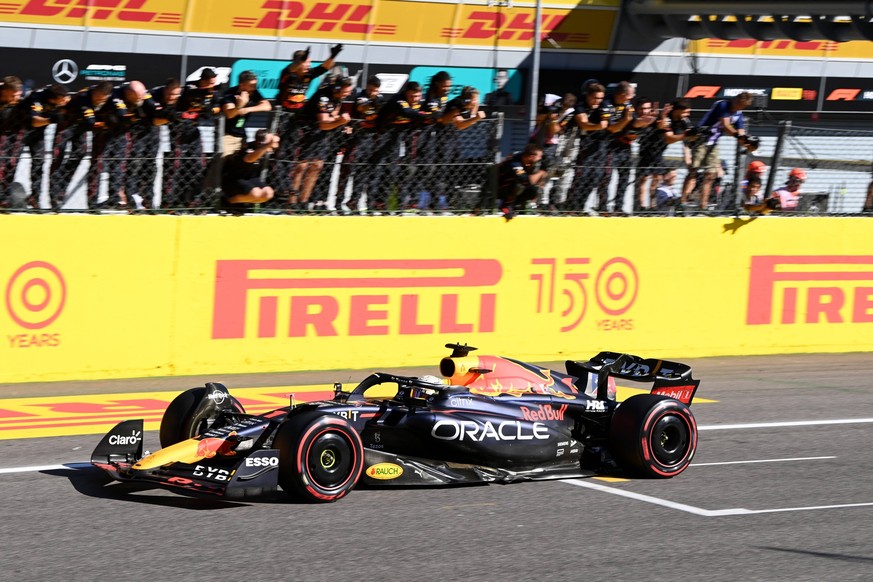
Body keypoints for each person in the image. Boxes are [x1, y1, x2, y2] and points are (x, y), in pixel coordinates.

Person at [272, 43, 343, 205]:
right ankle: (281, 189)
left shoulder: (308, 75)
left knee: (295, 154)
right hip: (283, 116)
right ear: (298, 62)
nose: (309, 66)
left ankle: (293, 193)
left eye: (309, 63)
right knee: (281, 153)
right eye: (306, 63)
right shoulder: (288, 74)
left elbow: (324, 68)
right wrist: (299, 62)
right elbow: (290, 69)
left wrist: (333, 56)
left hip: (298, 119)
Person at [681, 91, 756, 214]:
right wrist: (739, 136)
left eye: (741, 106)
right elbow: (726, 126)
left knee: (711, 175)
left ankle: (703, 206)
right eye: (738, 103)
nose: (738, 106)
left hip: (714, 143)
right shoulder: (723, 105)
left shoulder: (738, 114)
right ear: (736, 99)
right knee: (693, 172)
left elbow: (741, 132)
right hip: (701, 140)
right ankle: (682, 202)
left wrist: (748, 143)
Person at [290, 75, 353, 211]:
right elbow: (324, 123)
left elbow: (332, 116)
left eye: (348, 92)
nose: (347, 95)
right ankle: (292, 202)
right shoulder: (323, 97)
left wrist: (342, 124)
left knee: (317, 166)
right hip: (305, 130)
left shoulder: (338, 98)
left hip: (321, 135)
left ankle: (304, 202)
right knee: (302, 166)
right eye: (345, 92)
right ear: (336, 89)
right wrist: (340, 122)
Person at [49, 81, 114, 211]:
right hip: (67, 124)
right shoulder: (83, 97)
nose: (99, 101)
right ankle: (53, 194)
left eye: (103, 99)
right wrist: (107, 124)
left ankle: (60, 191)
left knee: (79, 155)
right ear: (95, 91)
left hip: (81, 128)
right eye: (97, 98)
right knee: (57, 158)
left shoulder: (109, 100)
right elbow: (91, 122)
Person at [370, 81, 432, 212]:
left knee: (396, 171)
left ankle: (390, 204)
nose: (414, 99)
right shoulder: (398, 100)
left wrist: (430, 116)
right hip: (381, 135)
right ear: (405, 93)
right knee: (377, 170)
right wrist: (427, 116)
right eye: (411, 96)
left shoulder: (421, 102)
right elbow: (407, 112)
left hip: (398, 137)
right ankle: (371, 203)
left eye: (417, 96)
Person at [87, 80, 150, 210]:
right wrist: (133, 116)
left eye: (141, 97)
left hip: (121, 133)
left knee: (119, 165)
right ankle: (92, 202)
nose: (140, 100)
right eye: (137, 97)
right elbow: (122, 115)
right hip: (104, 132)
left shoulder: (142, 99)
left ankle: (115, 199)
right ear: (128, 93)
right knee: (98, 165)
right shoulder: (116, 95)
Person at [164, 68, 219, 208]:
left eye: (214, 83)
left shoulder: (213, 93)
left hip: (194, 131)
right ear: (203, 81)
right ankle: (169, 202)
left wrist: (210, 109)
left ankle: (192, 200)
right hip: (179, 132)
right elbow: (190, 93)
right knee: (176, 167)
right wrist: (204, 95)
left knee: (199, 166)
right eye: (210, 83)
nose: (213, 87)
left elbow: (216, 108)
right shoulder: (190, 87)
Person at [598, 82, 656, 215]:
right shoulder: (606, 103)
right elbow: (612, 128)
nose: (631, 98)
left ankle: (619, 208)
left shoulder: (627, 105)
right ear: (622, 94)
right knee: (606, 177)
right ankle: (603, 208)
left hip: (625, 146)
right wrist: (625, 121)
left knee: (624, 178)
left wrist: (644, 121)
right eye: (630, 96)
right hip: (608, 146)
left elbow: (633, 122)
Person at [126, 78, 181, 210]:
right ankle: (131, 201)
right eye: (169, 94)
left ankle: (149, 201)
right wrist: (169, 116)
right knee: (134, 165)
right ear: (164, 89)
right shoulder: (151, 95)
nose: (172, 98)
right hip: (138, 134)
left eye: (175, 95)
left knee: (151, 167)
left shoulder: (179, 99)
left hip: (154, 135)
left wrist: (170, 116)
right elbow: (156, 116)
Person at [15, 83, 70, 209]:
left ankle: (35, 198)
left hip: (39, 134)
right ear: (52, 99)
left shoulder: (60, 99)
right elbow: (34, 122)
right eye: (62, 99)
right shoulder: (37, 99)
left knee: (39, 162)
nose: (65, 101)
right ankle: (4, 196)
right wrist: (50, 120)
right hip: (20, 130)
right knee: (12, 163)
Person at [635, 99, 694, 211]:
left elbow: (688, 138)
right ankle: (642, 207)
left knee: (658, 178)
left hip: (659, 152)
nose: (688, 115)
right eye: (685, 112)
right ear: (677, 111)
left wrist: (693, 136)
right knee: (644, 178)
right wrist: (684, 135)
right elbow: (668, 138)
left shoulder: (683, 121)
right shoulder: (667, 118)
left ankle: (654, 206)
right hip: (647, 149)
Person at [337, 75, 384, 214]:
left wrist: (377, 103)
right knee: (347, 169)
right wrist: (374, 102)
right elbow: (362, 108)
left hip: (370, 139)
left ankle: (354, 201)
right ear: (366, 87)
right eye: (370, 89)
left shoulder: (380, 98)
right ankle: (338, 201)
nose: (371, 92)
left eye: (374, 90)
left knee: (363, 172)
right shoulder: (361, 96)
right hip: (357, 137)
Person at [564, 82, 608, 213]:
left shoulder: (604, 104)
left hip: (599, 144)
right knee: (581, 176)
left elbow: (608, 121)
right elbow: (583, 123)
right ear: (588, 96)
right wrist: (598, 126)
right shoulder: (580, 104)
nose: (598, 101)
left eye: (600, 98)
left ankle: (581, 207)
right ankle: (570, 206)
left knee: (595, 177)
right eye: (595, 98)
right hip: (580, 143)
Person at [220, 129, 278, 211]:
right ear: (259, 143)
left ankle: (241, 203)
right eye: (269, 142)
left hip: (250, 178)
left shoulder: (265, 149)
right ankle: (229, 201)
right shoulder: (249, 148)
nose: (272, 145)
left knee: (268, 193)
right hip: (234, 179)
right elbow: (250, 159)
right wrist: (267, 146)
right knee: (256, 193)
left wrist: (271, 144)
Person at [220, 70, 271, 158]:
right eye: (251, 85)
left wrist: (247, 109)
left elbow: (267, 106)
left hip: (242, 135)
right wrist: (240, 105)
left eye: (255, 85)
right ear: (241, 85)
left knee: (240, 162)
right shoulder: (229, 94)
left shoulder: (254, 93)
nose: (254, 88)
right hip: (227, 136)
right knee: (222, 161)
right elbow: (230, 114)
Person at [495, 143, 547, 221]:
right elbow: (525, 180)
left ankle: (517, 206)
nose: (540, 159)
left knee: (532, 189)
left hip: (512, 186)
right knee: (525, 187)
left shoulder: (526, 159)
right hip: (500, 187)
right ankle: (506, 206)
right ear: (531, 157)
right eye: (539, 157)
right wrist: (541, 172)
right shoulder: (515, 163)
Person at [0, 76, 24, 208]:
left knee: (10, 165)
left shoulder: (22, 102)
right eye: (13, 95)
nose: (17, 98)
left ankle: (3, 197)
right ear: (4, 91)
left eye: (18, 95)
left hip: (10, 135)